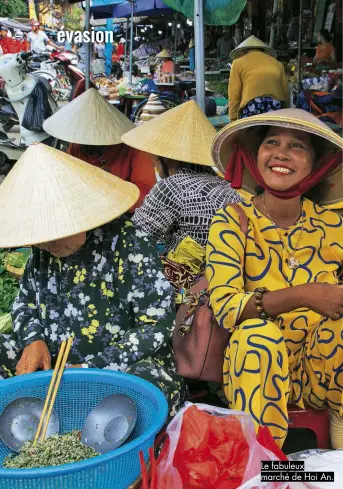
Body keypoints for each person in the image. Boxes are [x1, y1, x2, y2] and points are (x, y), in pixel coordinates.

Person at [0, 143, 185, 415]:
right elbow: (24, 302)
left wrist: (93, 370)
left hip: (118, 369)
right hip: (54, 367)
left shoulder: (129, 243)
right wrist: (33, 340)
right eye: (38, 237)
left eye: (54, 234)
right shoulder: (43, 250)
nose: (45, 244)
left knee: (148, 388)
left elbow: (156, 324)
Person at [206, 108, 343, 448]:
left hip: (320, 370)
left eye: (297, 146)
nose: (281, 153)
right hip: (256, 370)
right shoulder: (232, 220)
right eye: (271, 142)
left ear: (318, 164)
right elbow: (225, 308)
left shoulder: (332, 224)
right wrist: (304, 294)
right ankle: (265, 464)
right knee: (257, 334)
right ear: (254, 157)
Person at [122, 100, 240, 255]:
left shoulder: (172, 188)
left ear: (165, 156)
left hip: (193, 274)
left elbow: (136, 239)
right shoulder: (222, 182)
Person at [43, 88, 156, 211]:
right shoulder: (77, 145)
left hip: (122, 211)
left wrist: (109, 199)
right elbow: (67, 177)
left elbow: (145, 192)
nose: (87, 145)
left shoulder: (135, 148)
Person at [228, 35, 289, 122]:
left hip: (253, 105)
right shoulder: (277, 64)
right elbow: (286, 92)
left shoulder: (238, 63)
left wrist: (233, 118)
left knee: (252, 134)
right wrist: (287, 110)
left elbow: (234, 94)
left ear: (243, 51)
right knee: (271, 132)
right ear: (263, 50)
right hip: (276, 104)